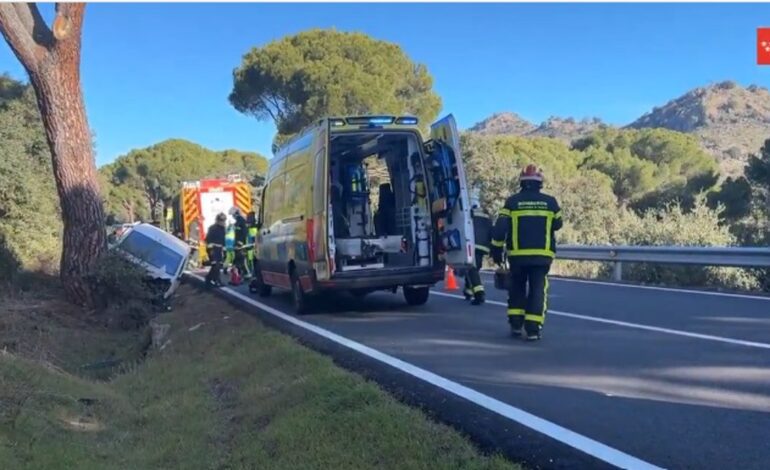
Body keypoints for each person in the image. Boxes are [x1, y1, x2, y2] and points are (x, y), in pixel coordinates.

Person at [491, 164, 562, 341]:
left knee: (517, 288)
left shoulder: (512, 202)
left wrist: (496, 249)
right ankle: (533, 329)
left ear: (521, 182)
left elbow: (500, 228)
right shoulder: (551, 202)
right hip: (542, 256)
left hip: (517, 256)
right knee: (538, 289)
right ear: (540, 183)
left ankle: (516, 324)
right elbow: (558, 224)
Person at [464, 191, 492, 306]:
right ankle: (468, 291)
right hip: (484, 246)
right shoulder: (486, 214)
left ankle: (479, 294)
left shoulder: (470, 213)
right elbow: (491, 229)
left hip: (472, 244)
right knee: (473, 269)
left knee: (472, 269)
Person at [204, 213, 227, 287]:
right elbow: (208, 239)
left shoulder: (223, 229)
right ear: (217, 220)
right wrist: (210, 249)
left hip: (219, 249)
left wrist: (224, 248)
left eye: (223, 220)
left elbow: (223, 240)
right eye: (221, 220)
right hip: (212, 249)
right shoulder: (212, 228)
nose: (223, 222)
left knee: (218, 265)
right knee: (215, 265)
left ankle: (209, 278)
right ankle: (217, 280)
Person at [229, 207, 249, 283]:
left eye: (232, 215)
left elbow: (244, 232)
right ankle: (240, 276)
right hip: (238, 243)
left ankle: (243, 275)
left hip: (240, 243)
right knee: (238, 260)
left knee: (240, 260)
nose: (232, 216)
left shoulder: (240, 220)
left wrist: (240, 242)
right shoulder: (239, 220)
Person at [246, 210, 258, 277]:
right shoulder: (255, 226)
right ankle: (253, 272)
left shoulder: (249, 228)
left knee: (251, 259)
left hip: (251, 245)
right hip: (253, 244)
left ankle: (252, 272)